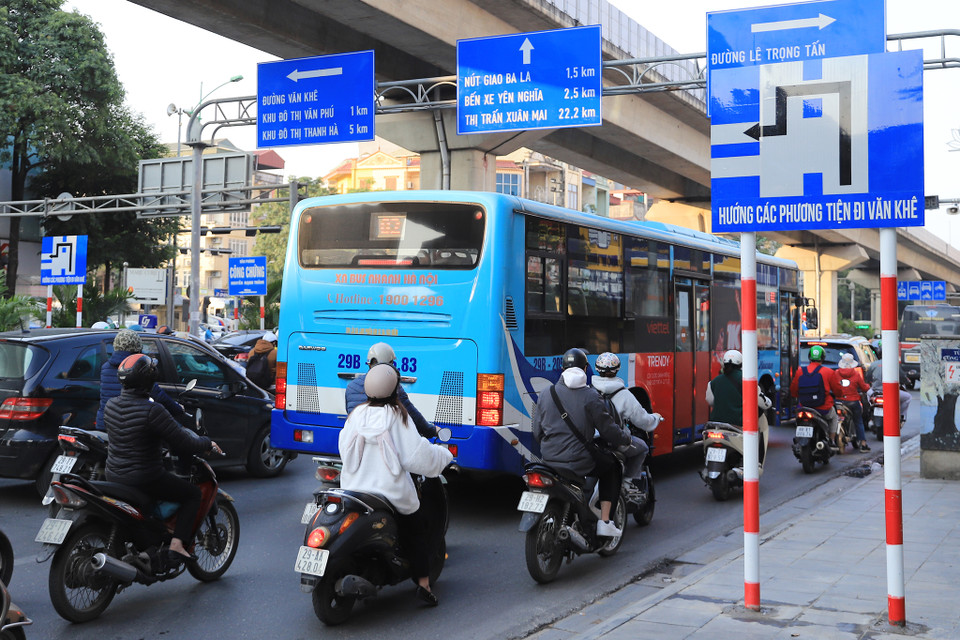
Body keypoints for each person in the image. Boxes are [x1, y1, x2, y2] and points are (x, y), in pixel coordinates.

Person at [338, 364, 453, 606]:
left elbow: (343, 447)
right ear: (394, 389)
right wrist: (444, 456)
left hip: (354, 489)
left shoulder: (356, 414)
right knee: (415, 529)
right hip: (389, 492)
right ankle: (424, 584)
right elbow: (417, 456)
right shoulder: (397, 416)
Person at [103, 353, 222, 565]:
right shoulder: (153, 410)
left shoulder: (111, 405)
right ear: (149, 380)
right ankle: (177, 545)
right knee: (192, 494)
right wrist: (207, 443)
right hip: (145, 478)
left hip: (113, 475)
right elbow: (184, 442)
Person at [532, 348, 631, 538]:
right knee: (612, 467)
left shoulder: (546, 393)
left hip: (548, 461)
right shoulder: (591, 396)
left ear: (562, 369)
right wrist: (625, 438)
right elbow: (608, 430)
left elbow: (537, 432)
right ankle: (605, 522)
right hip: (578, 462)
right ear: (585, 369)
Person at [590, 352, 662, 485]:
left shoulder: (589, 391)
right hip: (616, 442)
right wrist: (656, 418)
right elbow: (644, 422)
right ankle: (627, 482)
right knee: (643, 448)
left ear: (597, 369)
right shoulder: (625, 395)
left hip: (593, 442)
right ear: (617, 369)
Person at [96, 329, 189, 430]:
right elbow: (157, 394)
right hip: (129, 426)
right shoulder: (138, 367)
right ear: (137, 347)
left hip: (105, 422)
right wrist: (177, 409)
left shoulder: (106, 367)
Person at [345, 342, 436, 438]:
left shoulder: (351, 387)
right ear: (390, 364)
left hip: (358, 442)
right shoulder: (394, 388)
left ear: (369, 363)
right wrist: (432, 430)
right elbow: (413, 416)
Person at [790, 345, 845, 450]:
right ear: (823, 357)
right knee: (834, 417)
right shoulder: (829, 372)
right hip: (823, 408)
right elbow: (837, 390)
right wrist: (839, 395)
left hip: (804, 407)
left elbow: (793, 390)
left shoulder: (800, 371)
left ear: (809, 357)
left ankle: (798, 439)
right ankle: (831, 440)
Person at [705, 350, 772, 427]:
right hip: (739, 423)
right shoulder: (747, 380)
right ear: (741, 364)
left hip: (716, 423)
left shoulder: (713, 382)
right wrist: (768, 403)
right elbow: (761, 402)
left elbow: (710, 401)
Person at [865, 340, 912, 420]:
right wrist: (908, 382)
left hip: (875, 391)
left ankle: (869, 415)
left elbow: (868, 378)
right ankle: (901, 415)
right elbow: (902, 377)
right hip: (892, 392)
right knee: (908, 397)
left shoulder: (873, 364)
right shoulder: (894, 364)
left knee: (867, 395)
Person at [836, 353, 871, 453]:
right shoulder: (855, 374)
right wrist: (868, 387)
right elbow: (864, 387)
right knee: (858, 421)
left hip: (839, 402)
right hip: (853, 402)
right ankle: (863, 444)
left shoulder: (836, 373)